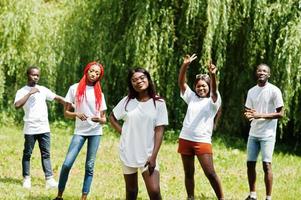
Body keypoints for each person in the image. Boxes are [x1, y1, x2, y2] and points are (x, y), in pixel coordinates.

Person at [109, 67, 168, 200]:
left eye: (142, 78)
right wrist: (122, 131)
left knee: (154, 191)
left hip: (147, 153)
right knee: (131, 191)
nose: (139, 81)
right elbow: (112, 117)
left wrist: (153, 156)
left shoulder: (159, 103)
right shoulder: (127, 101)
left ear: (148, 79)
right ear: (131, 83)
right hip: (128, 151)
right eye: (134, 80)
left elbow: (159, 131)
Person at [54, 61, 107, 200]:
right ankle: (59, 196)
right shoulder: (74, 88)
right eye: (92, 71)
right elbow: (66, 113)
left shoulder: (99, 93)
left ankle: (83, 197)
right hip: (80, 131)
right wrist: (76, 114)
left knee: (89, 166)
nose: (94, 74)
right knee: (67, 164)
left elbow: (104, 119)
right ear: (86, 70)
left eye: (97, 73)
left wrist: (99, 119)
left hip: (95, 132)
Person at [177, 54, 224, 200]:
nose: (201, 88)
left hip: (202, 141)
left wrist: (213, 75)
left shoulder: (213, 101)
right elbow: (181, 83)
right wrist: (185, 65)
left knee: (210, 173)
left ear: (208, 86)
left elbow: (215, 91)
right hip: (185, 139)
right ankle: (190, 197)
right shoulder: (192, 98)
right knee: (188, 173)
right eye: (198, 86)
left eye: (204, 85)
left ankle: (221, 198)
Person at [14, 66, 65, 189]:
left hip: (44, 128)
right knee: (27, 154)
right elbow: (17, 105)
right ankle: (26, 179)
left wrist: (70, 103)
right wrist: (29, 93)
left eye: (37, 75)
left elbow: (56, 97)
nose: (36, 77)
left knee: (46, 154)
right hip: (30, 128)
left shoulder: (42, 89)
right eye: (33, 75)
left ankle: (49, 180)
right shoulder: (22, 91)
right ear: (28, 75)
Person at [244, 64, 284, 200]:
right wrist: (248, 115)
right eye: (260, 70)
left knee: (266, 165)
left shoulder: (274, 91)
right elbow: (248, 110)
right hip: (253, 133)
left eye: (265, 71)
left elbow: (281, 114)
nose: (262, 72)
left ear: (269, 75)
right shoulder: (251, 91)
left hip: (268, 134)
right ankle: (253, 195)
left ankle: (268, 197)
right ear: (256, 72)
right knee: (250, 164)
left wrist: (259, 115)